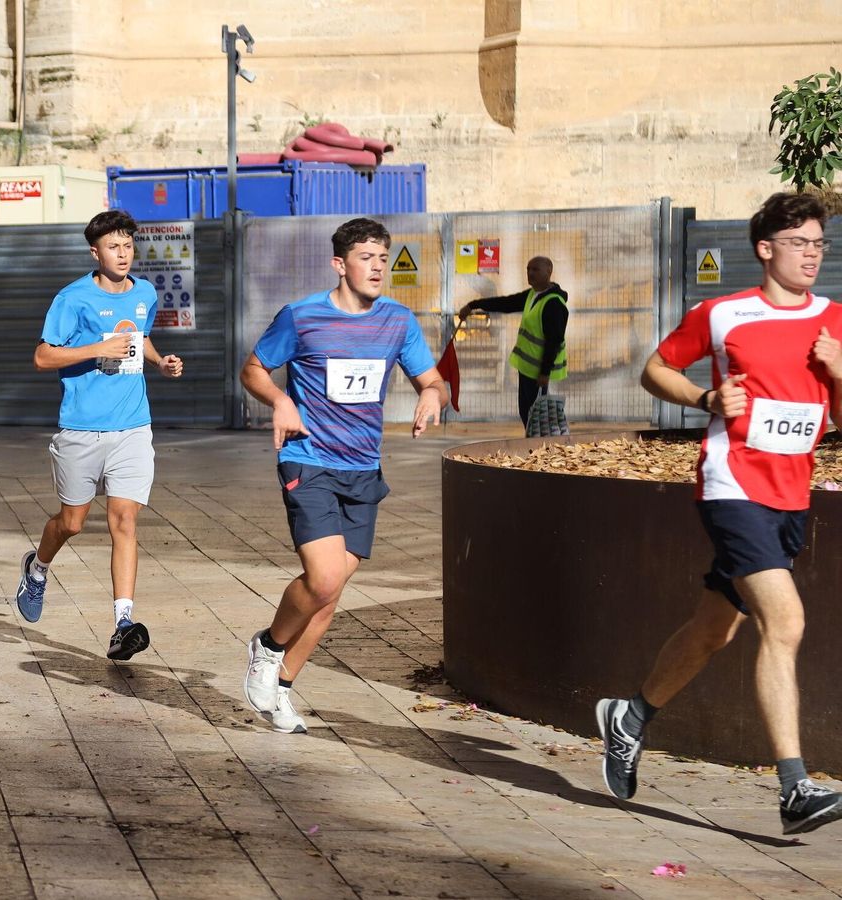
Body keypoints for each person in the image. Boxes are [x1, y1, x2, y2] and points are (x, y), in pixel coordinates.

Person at [597, 192, 842, 836]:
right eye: (800, 242)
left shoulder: (835, 321)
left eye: (819, 243)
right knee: (784, 621)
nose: (813, 253)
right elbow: (655, 370)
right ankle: (794, 788)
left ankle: (631, 717)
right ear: (765, 249)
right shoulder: (722, 313)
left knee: (715, 628)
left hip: (791, 494)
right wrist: (706, 394)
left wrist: (839, 373)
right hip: (731, 483)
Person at [239, 217, 446, 733]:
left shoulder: (397, 321)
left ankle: (281, 686)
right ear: (340, 264)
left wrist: (430, 394)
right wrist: (282, 400)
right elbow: (253, 370)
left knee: (330, 594)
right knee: (324, 576)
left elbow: (433, 378)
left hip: (363, 469)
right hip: (309, 460)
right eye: (366, 258)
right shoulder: (302, 317)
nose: (377, 267)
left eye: (383, 258)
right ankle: (266, 646)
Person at [12, 209, 184, 661]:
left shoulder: (144, 292)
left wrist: (160, 361)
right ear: (96, 252)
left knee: (124, 520)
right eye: (113, 247)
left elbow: (139, 337)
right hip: (82, 430)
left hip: (133, 427)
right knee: (71, 522)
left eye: (128, 245)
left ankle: (122, 623)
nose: (123, 254)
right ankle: (38, 567)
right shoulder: (73, 298)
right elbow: (42, 357)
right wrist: (96, 349)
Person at [456, 256, 569, 427]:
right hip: (526, 368)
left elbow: (554, 341)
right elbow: (505, 303)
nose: (530, 273)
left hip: (538, 371)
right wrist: (473, 305)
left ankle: (539, 448)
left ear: (549, 271)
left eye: (535, 269)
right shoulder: (533, 295)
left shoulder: (553, 304)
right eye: (528, 269)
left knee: (536, 416)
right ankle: (534, 445)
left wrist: (545, 373)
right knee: (527, 412)